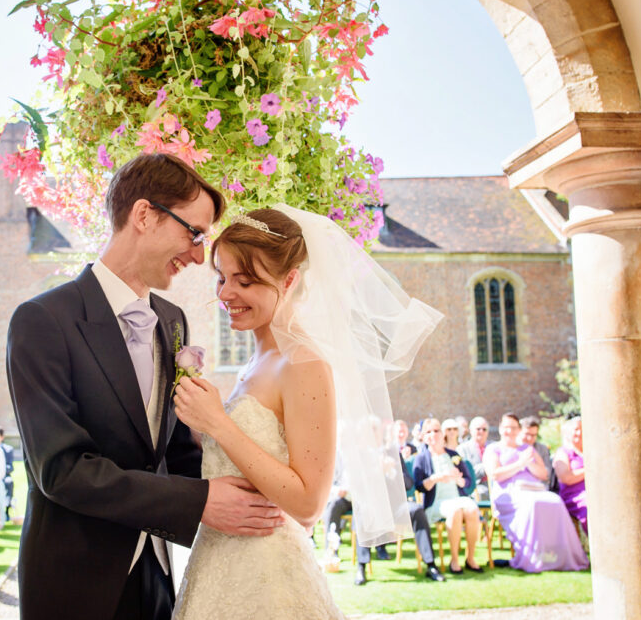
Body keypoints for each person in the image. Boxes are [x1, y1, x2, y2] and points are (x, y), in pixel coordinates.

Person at [6, 153, 285, 620]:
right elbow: (62, 470)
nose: (199, 256)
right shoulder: (43, 320)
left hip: (156, 576)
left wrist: (255, 486)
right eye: (193, 233)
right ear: (144, 215)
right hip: (73, 583)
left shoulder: (172, 322)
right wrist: (200, 503)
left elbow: (173, 450)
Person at [172, 206, 441, 618]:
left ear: (290, 279)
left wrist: (219, 424)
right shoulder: (257, 360)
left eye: (244, 281)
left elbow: (309, 503)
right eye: (222, 278)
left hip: (268, 582)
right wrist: (199, 426)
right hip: (218, 566)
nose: (225, 294)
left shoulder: (304, 363)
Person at [485, 413, 588, 573]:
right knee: (532, 505)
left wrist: (529, 463)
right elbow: (495, 474)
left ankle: (560, 557)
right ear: (500, 429)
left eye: (513, 428)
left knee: (555, 501)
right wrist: (520, 464)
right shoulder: (494, 449)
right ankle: (531, 558)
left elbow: (543, 474)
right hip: (510, 493)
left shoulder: (527, 449)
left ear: (519, 430)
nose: (509, 431)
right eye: (506, 427)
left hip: (534, 489)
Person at [412, 418, 482, 574]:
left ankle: (471, 558)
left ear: (442, 433)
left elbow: (468, 482)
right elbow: (418, 486)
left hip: (458, 497)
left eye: (436, 430)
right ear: (423, 437)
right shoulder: (421, 458)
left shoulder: (453, 455)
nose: (433, 434)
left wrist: (458, 478)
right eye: (428, 432)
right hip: (436, 502)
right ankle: (455, 560)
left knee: (471, 509)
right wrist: (437, 478)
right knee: (455, 511)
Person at [553, 416, 587, 533]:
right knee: (591, 505)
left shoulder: (591, 450)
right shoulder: (564, 453)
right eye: (576, 429)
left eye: (583, 429)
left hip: (597, 491)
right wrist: (589, 470)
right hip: (575, 496)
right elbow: (566, 478)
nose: (580, 432)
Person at [457, 417, 491, 503]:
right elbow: (466, 473)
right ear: (471, 430)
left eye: (484, 429)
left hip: (495, 484)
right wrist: (486, 467)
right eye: (478, 429)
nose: (481, 432)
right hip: (475, 487)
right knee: (481, 493)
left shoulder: (494, 447)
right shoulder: (462, 449)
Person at [519, 416, 557, 491]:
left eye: (533, 435)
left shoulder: (542, 449)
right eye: (527, 434)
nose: (530, 438)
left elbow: (547, 474)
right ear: (519, 431)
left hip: (539, 487)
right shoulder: (513, 447)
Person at [0, 426, 17, 521]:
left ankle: (7, 509)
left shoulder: (8, 449)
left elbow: (10, 466)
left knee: (9, 482)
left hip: (4, 475)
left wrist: (2, 470)